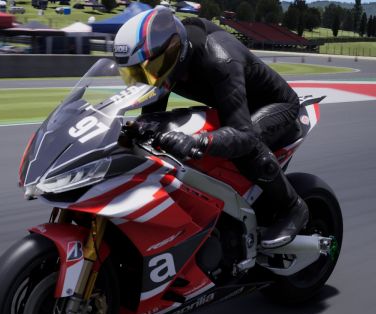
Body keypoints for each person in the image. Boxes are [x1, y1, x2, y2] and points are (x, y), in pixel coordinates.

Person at [113, 7, 308, 248]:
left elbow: (244, 134)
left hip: (274, 105)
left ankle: (293, 207)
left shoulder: (219, 59)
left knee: (247, 146)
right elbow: (152, 117)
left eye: (148, 71)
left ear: (174, 52)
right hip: (231, 101)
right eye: (135, 74)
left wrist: (197, 141)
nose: (145, 80)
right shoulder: (161, 65)